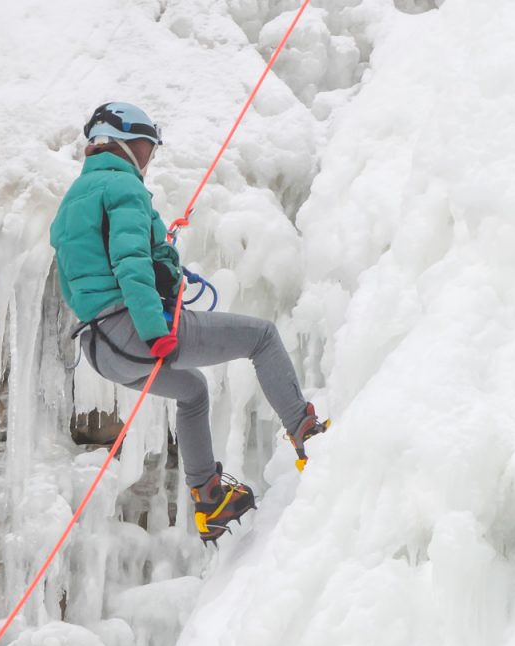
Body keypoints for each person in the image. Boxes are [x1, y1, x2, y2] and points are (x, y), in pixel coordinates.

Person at [49, 101, 326, 542]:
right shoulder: (122, 187)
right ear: (121, 139)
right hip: (134, 331)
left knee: (193, 391)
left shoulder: (70, 204)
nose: (150, 155)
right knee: (262, 337)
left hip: (101, 349)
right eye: (147, 144)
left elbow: (84, 278)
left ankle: (208, 497)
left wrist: (163, 265)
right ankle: (307, 434)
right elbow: (129, 262)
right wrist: (154, 330)